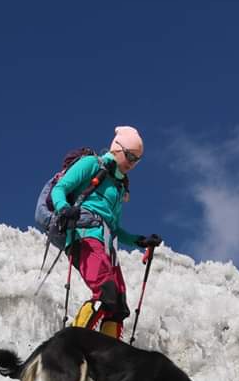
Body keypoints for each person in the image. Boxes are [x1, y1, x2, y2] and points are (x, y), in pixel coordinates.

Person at [50, 126, 162, 339]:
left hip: (107, 245)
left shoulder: (119, 187)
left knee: (118, 305)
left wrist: (139, 241)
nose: (132, 163)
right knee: (106, 292)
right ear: (117, 149)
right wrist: (64, 208)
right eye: (130, 156)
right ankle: (71, 345)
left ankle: (105, 358)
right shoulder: (91, 164)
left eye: (137, 160)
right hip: (85, 236)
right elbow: (60, 188)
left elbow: (114, 227)